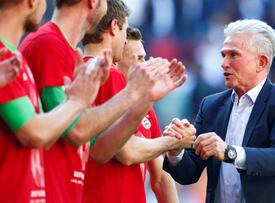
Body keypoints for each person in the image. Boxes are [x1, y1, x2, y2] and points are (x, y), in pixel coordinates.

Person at [19, 0, 187, 202]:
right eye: (139, 58)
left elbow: (99, 150)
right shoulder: (53, 45)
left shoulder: (69, 56)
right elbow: (80, 133)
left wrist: (143, 98)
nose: (125, 43)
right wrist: (171, 142)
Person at [163, 19, 275, 203]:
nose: (224, 63)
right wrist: (176, 151)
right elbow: (189, 174)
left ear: (261, 62)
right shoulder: (211, 105)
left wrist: (230, 152)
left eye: (233, 55)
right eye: (223, 55)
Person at [81, 2, 193, 201]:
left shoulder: (142, 104)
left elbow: (160, 177)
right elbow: (128, 152)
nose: (145, 65)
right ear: (115, 60)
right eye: (138, 59)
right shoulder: (107, 75)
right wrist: (173, 142)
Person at [0, 0, 106, 202]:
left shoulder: (15, 62)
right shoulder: (7, 56)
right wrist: (77, 101)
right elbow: (36, 133)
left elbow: (47, 137)